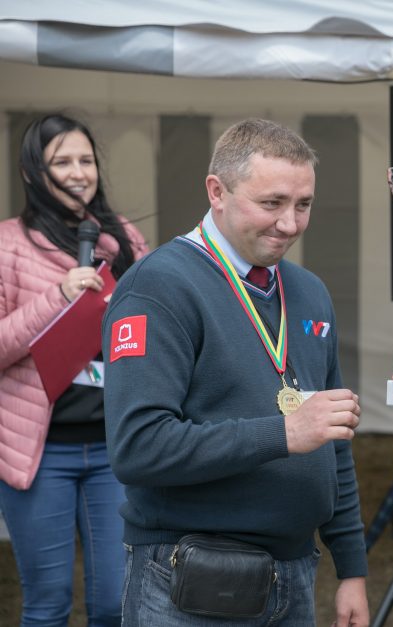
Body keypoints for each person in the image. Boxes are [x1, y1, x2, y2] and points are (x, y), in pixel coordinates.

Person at [102, 118, 368, 626]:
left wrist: (351, 566)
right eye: (271, 203)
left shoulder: (309, 291)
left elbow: (332, 437)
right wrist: (285, 432)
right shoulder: (159, 288)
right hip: (188, 579)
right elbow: (138, 448)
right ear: (216, 191)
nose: (290, 223)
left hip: (295, 573)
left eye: (303, 204)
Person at [0, 113, 149, 626]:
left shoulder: (123, 238)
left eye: (85, 160)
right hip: (40, 456)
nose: (78, 172)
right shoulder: (7, 244)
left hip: (115, 450)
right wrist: (57, 298)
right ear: (31, 172)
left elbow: (154, 331)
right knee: (47, 605)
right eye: (61, 161)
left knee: (115, 601)